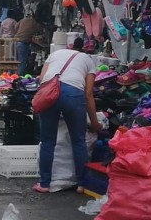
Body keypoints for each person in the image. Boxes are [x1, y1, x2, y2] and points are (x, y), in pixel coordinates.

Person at [33, 38, 102, 194]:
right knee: (78, 140)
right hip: (73, 94)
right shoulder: (89, 61)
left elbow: (41, 79)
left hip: (50, 94)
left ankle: (44, 184)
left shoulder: (55, 54)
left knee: (47, 141)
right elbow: (88, 94)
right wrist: (95, 123)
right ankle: (82, 184)